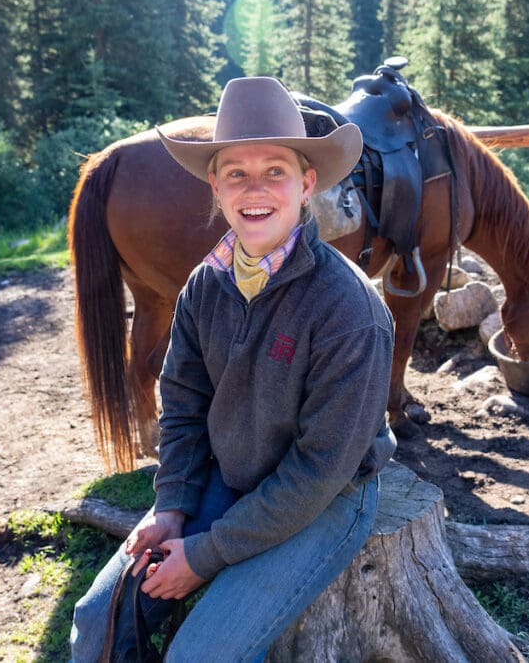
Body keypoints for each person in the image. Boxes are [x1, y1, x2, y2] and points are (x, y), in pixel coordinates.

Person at [69, 76, 395, 663]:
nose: (255, 188)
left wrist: (205, 554)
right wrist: (172, 503)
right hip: (232, 471)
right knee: (98, 618)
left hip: (326, 497)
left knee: (201, 653)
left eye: (275, 170)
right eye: (236, 173)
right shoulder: (205, 284)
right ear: (215, 187)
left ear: (307, 183)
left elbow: (319, 471)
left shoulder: (351, 311)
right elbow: (184, 401)